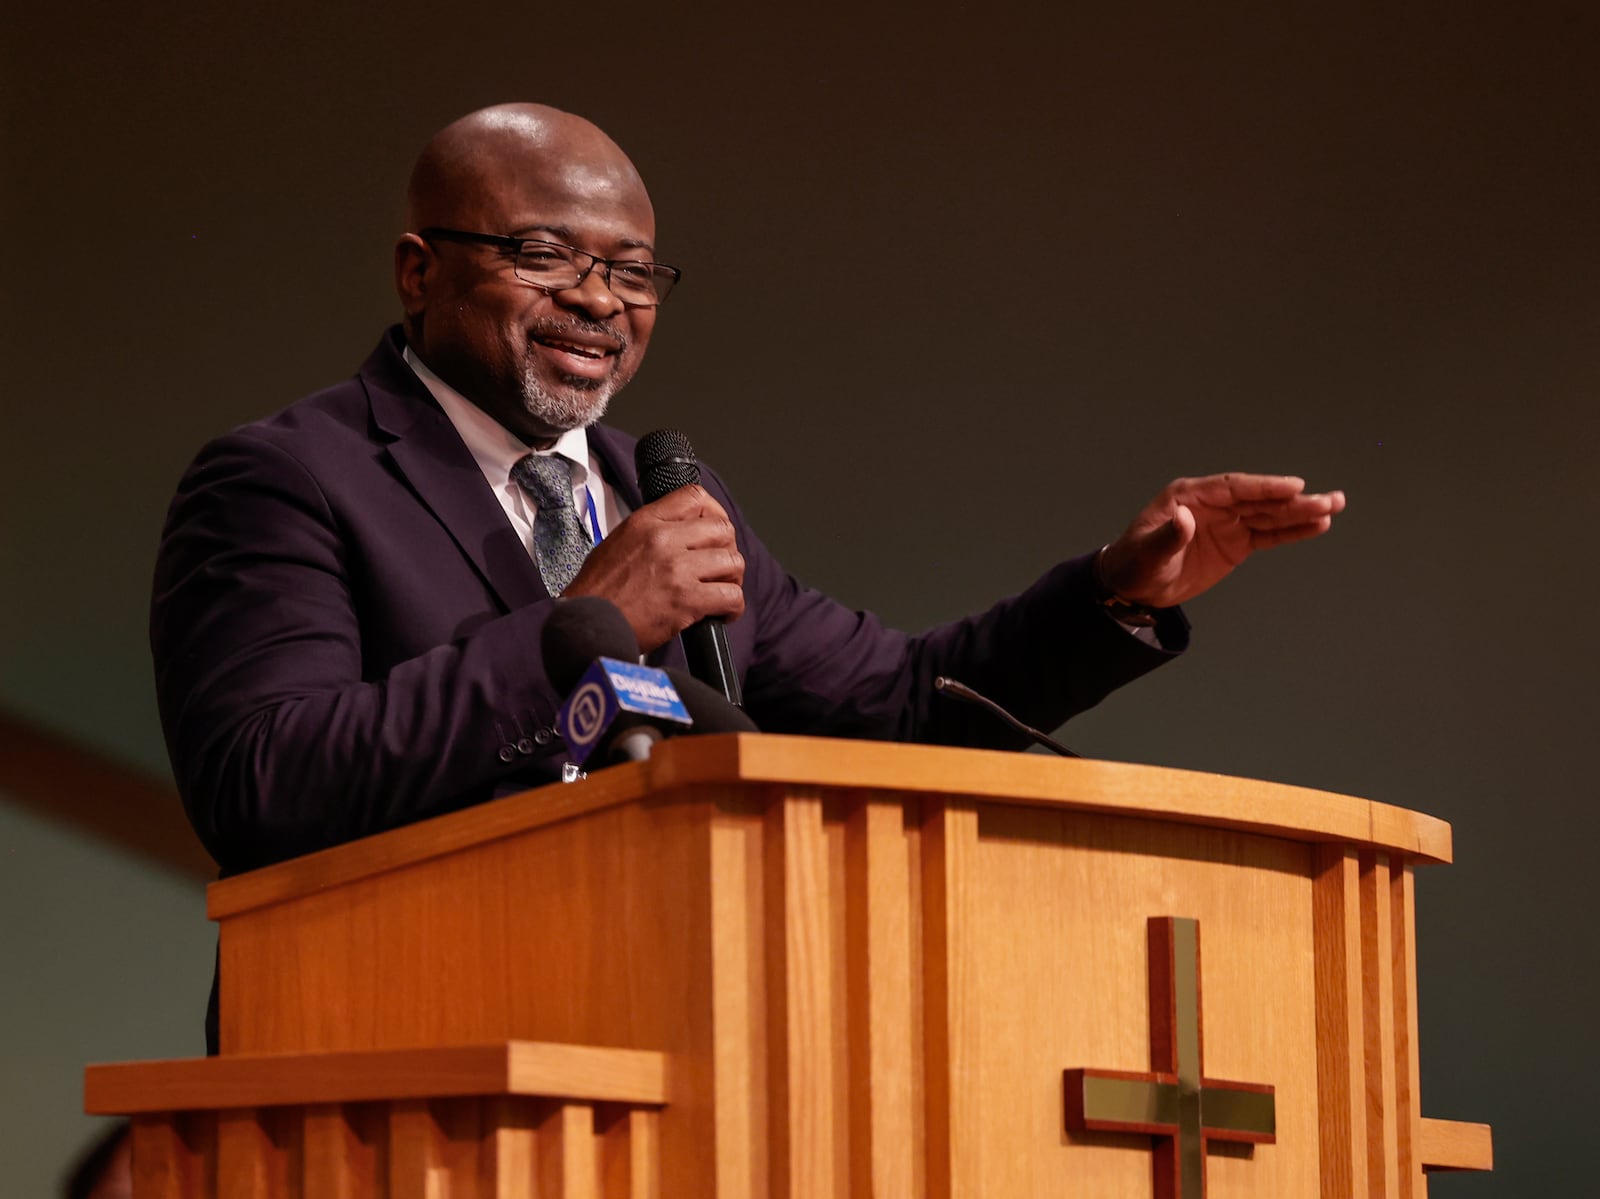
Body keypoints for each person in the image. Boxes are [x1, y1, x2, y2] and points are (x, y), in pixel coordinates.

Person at [151, 103, 1344, 881]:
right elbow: (264, 785)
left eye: (631, 271)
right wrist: (592, 626)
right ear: (420, 270)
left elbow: (898, 708)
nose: (601, 300)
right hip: (406, 1061)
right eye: (546, 255)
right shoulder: (288, 479)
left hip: (679, 1037)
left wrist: (1112, 594)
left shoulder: (652, 488)